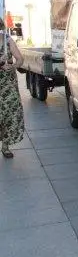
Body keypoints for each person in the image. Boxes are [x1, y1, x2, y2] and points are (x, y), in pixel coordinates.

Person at [0, 18, 25, 159]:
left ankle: (5, 146)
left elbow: (20, 59)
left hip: (8, 86)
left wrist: (12, 66)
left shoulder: (7, 40)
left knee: (9, 114)